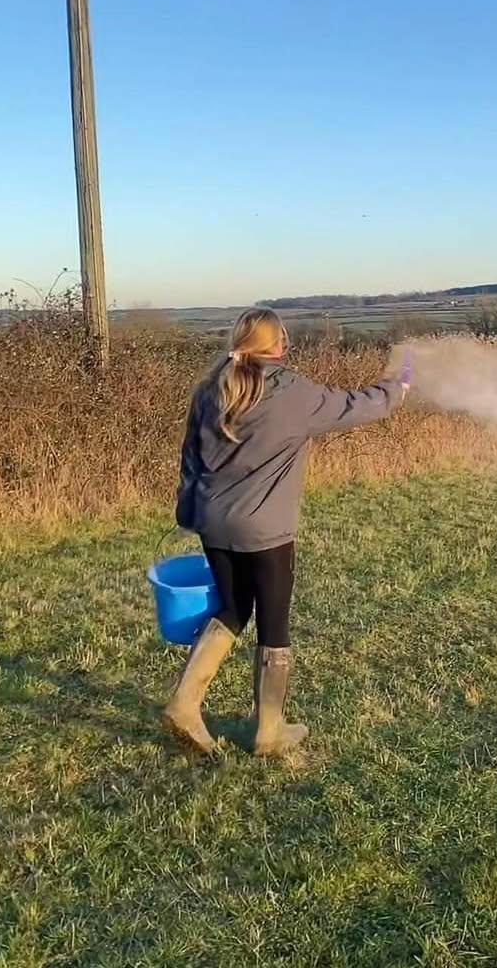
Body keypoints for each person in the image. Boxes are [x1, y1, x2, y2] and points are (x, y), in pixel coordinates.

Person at [164, 307, 409, 757]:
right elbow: (357, 405)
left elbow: (189, 458)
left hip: (213, 522)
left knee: (234, 608)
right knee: (273, 622)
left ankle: (184, 703)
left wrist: (188, 510)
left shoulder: (211, 387)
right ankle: (269, 731)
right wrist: (398, 386)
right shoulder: (290, 392)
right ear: (278, 345)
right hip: (266, 528)